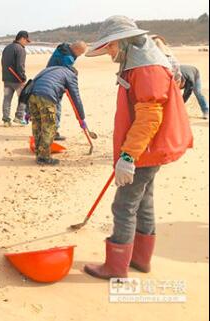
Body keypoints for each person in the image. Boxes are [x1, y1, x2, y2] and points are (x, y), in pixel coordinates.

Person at [83, 16, 193, 280]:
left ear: (122, 41)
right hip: (150, 147)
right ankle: (140, 259)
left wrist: (128, 156)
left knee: (124, 206)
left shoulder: (146, 69)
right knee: (144, 202)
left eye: (109, 46)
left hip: (146, 148)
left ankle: (116, 267)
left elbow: (149, 117)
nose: (108, 51)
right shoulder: (138, 62)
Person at [28, 65, 88, 166]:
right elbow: (75, 97)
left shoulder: (53, 69)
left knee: (37, 125)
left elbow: (35, 80)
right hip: (46, 96)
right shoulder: (71, 75)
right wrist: (81, 117)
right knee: (49, 126)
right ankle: (44, 158)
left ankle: (39, 152)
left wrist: (26, 109)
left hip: (31, 94)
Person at [46, 41, 88, 140]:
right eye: (80, 53)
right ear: (76, 49)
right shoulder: (68, 58)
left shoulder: (63, 49)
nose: (80, 55)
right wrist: (81, 118)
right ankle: (53, 132)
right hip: (54, 83)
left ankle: (45, 132)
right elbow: (65, 74)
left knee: (49, 108)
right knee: (56, 108)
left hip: (47, 76)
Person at [1, 30, 30, 127]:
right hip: (17, 79)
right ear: (22, 38)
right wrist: (23, 77)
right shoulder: (20, 49)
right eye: (26, 40)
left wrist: (5, 75)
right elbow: (20, 65)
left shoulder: (7, 48)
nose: (26, 43)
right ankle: (19, 117)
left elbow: (3, 63)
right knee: (23, 98)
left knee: (7, 99)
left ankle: (6, 119)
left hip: (6, 78)